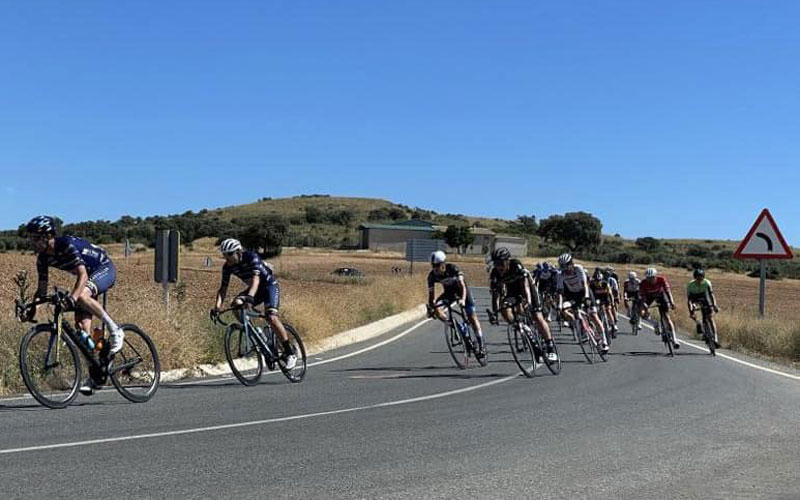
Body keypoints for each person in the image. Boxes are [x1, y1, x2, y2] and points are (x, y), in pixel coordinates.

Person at [25, 215, 125, 396]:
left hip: (103, 268)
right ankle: (96, 374)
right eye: (30, 238)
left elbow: (83, 275)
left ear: (48, 236)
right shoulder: (42, 259)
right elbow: (41, 290)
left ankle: (115, 329)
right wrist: (32, 307)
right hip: (88, 276)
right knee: (82, 331)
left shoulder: (66, 245)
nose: (32, 242)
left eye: (36, 238)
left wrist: (72, 297)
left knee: (81, 296)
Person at [212, 238, 296, 369]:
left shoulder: (251, 257)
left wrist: (250, 297)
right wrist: (216, 307)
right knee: (236, 304)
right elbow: (223, 289)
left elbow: (256, 279)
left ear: (238, 252)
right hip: (254, 290)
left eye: (228, 254)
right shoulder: (227, 267)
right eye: (224, 255)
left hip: (269, 287)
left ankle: (290, 353)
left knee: (271, 317)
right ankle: (257, 333)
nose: (226, 258)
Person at [491, 248, 558, 361]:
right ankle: (522, 327)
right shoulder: (495, 273)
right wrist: (494, 312)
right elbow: (496, 294)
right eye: (496, 264)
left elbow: (525, 286)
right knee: (504, 310)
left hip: (528, 290)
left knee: (537, 316)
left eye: (501, 263)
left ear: (507, 261)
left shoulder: (516, 265)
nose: (499, 267)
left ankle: (550, 347)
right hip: (512, 292)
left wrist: (528, 301)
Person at [428, 250, 486, 356]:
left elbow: (462, 286)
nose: (435, 268)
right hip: (449, 294)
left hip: (463, 293)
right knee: (437, 309)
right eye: (433, 265)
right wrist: (432, 308)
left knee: (472, 317)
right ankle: (456, 326)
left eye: (437, 265)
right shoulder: (432, 276)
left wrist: (463, 299)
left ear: (443, 264)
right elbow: (431, 297)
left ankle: (481, 345)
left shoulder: (453, 269)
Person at [556, 253, 609, 354]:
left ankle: (604, 341)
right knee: (567, 309)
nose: (564, 269)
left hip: (584, 292)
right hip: (572, 294)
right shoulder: (560, 274)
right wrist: (559, 305)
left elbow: (585, 284)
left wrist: (587, 297)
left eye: (565, 266)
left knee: (593, 315)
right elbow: (560, 292)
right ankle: (581, 328)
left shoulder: (578, 268)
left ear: (571, 263)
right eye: (562, 266)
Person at [638, 267, 679, 349]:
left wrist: (671, 302)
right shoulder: (643, 283)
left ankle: (674, 339)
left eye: (652, 278)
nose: (650, 280)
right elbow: (643, 297)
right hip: (648, 297)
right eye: (648, 278)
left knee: (667, 317)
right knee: (641, 312)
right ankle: (654, 324)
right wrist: (645, 307)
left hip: (660, 296)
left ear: (655, 276)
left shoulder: (661, 280)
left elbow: (668, 291)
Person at [687, 269, 720, 348]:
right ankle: (699, 324)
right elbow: (689, 300)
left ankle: (715, 339)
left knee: (710, 317)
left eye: (701, 278)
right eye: (697, 278)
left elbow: (711, 295)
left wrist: (714, 305)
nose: (699, 280)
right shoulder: (690, 285)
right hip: (694, 297)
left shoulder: (707, 283)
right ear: (695, 278)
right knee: (693, 312)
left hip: (704, 297)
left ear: (703, 277)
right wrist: (691, 310)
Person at [589, 268, 617, 338]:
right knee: (595, 312)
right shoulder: (591, 286)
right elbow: (590, 296)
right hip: (596, 299)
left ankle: (613, 326)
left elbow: (610, 294)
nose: (598, 283)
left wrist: (612, 303)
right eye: (596, 281)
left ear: (601, 280)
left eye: (599, 281)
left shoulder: (605, 284)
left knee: (608, 310)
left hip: (605, 298)